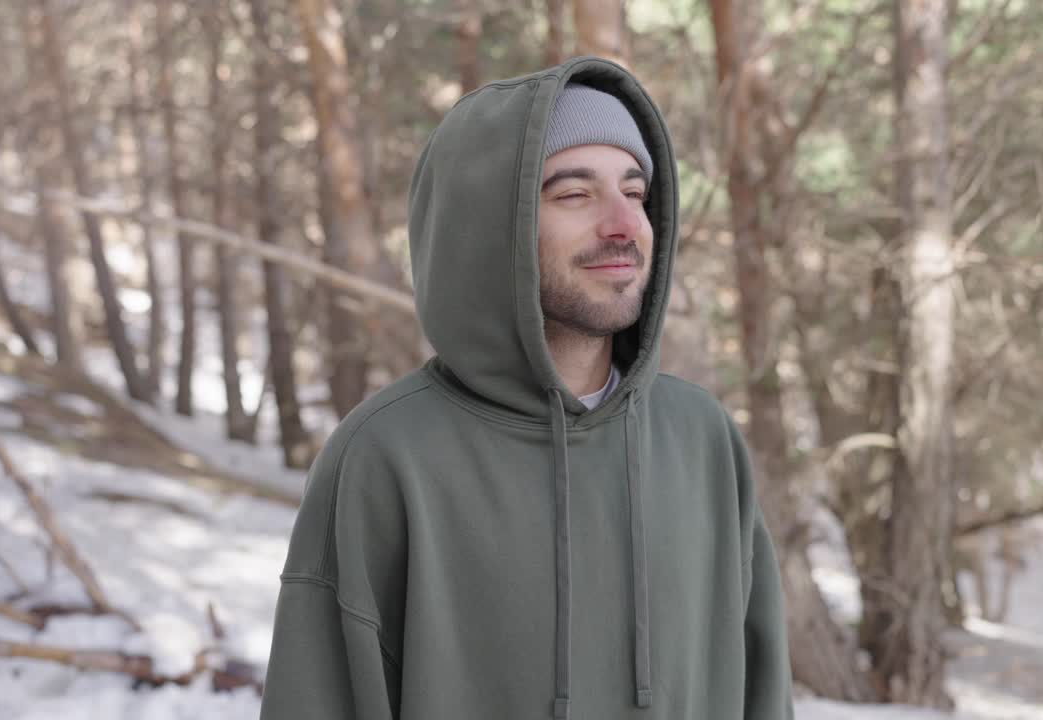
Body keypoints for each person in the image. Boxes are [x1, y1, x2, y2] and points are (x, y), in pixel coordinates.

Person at [259, 56, 794, 720]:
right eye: (575, 194)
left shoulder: (700, 438)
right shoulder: (387, 456)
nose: (624, 225)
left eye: (635, 192)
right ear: (489, 229)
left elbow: (763, 695)